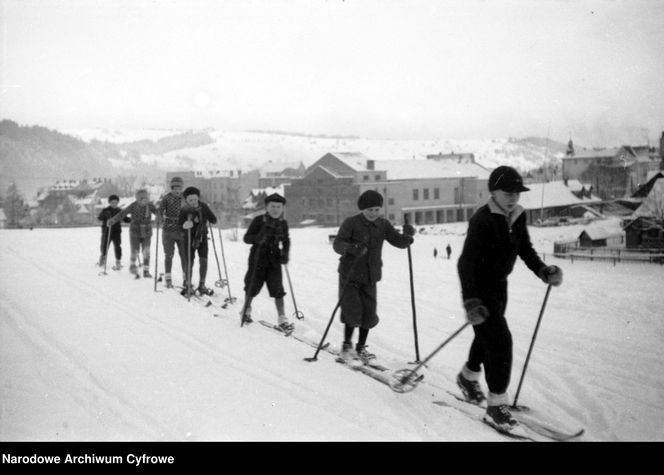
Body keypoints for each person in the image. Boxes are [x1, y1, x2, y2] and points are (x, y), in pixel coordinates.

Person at [456, 165, 563, 432]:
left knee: (486, 337)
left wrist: (542, 269)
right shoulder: (482, 219)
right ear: (493, 191)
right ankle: (496, 406)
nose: (513, 197)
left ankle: (468, 378)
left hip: (499, 288)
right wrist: (471, 301)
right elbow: (465, 262)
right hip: (479, 289)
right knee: (501, 342)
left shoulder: (517, 215)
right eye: (508, 192)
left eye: (517, 192)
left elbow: (524, 248)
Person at [332, 190, 415, 363]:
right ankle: (347, 345)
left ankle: (361, 347)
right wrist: (352, 249)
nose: (373, 213)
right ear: (362, 209)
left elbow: (398, 241)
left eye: (377, 209)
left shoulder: (383, 224)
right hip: (350, 274)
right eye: (370, 210)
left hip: (370, 276)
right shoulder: (351, 223)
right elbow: (338, 243)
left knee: (369, 314)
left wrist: (407, 236)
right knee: (352, 311)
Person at [240, 193, 291, 330]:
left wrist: (285, 254)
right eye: (273, 206)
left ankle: (282, 319)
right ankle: (246, 311)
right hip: (258, 257)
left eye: (279, 207)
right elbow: (247, 238)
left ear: (282, 208)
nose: (276, 209)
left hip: (274, 258)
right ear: (267, 207)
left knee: (277, 289)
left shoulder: (283, 223)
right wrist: (257, 238)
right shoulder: (258, 220)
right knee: (252, 285)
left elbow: (286, 240)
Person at [107, 189, 158, 278]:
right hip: (135, 232)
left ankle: (146, 270)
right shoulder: (133, 206)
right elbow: (122, 214)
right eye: (141, 199)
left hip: (147, 231)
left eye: (146, 198)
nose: (144, 200)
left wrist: (160, 218)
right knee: (135, 250)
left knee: (146, 251)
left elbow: (158, 213)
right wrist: (113, 220)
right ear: (138, 199)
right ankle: (133, 267)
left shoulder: (150, 205)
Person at [178, 186, 218, 296]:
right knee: (189, 261)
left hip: (202, 237)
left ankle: (202, 284)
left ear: (198, 198)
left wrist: (213, 219)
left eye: (195, 199)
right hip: (188, 238)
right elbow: (179, 225)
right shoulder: (184, 210)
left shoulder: (203, 207)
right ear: (186, 200)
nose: (193, 202)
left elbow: (212, 218)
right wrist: (184, 225)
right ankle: (188, 284)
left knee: (203, 260)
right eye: (190, 200)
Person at [157, 177, 186, 288]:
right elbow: (160, 210)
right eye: (174, 188)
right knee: (169, 255)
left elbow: (192, 210)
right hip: (168, 230)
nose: (176, 190)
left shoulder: (185, 198)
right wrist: (159, 217)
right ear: (171, 188)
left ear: (181, 188)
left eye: (178, 188)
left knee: (184, 255)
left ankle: (186, 278)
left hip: (182, 231)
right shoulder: (167, 198)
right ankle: (168, 278)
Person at [97, 194, 130, 269]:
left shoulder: (119, 211)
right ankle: (103, 258)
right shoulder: (105, 210)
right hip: (107, 231)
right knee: (105, 246)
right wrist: (105, 216)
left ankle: (118, 261)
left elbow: (125, 219)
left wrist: (131, 220)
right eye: (112, 202)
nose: (114, 204)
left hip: (117, 231)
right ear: (109, 202)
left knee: (118, 246)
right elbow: (100, 218)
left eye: (116, 202)